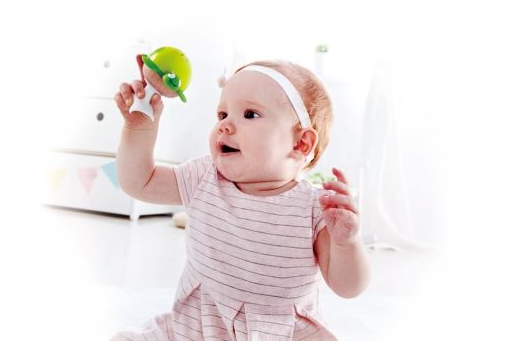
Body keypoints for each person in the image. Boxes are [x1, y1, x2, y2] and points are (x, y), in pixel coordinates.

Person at [111, 60, 370, 340]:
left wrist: (346, 243)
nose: (225, 125)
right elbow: (140, 182)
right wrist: (138, 129)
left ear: (301, 143)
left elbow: (348, 287)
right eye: (222, 114)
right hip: (198, 329)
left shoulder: (313, 209)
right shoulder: (204, 177)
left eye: (250, 114)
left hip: (280, 334)